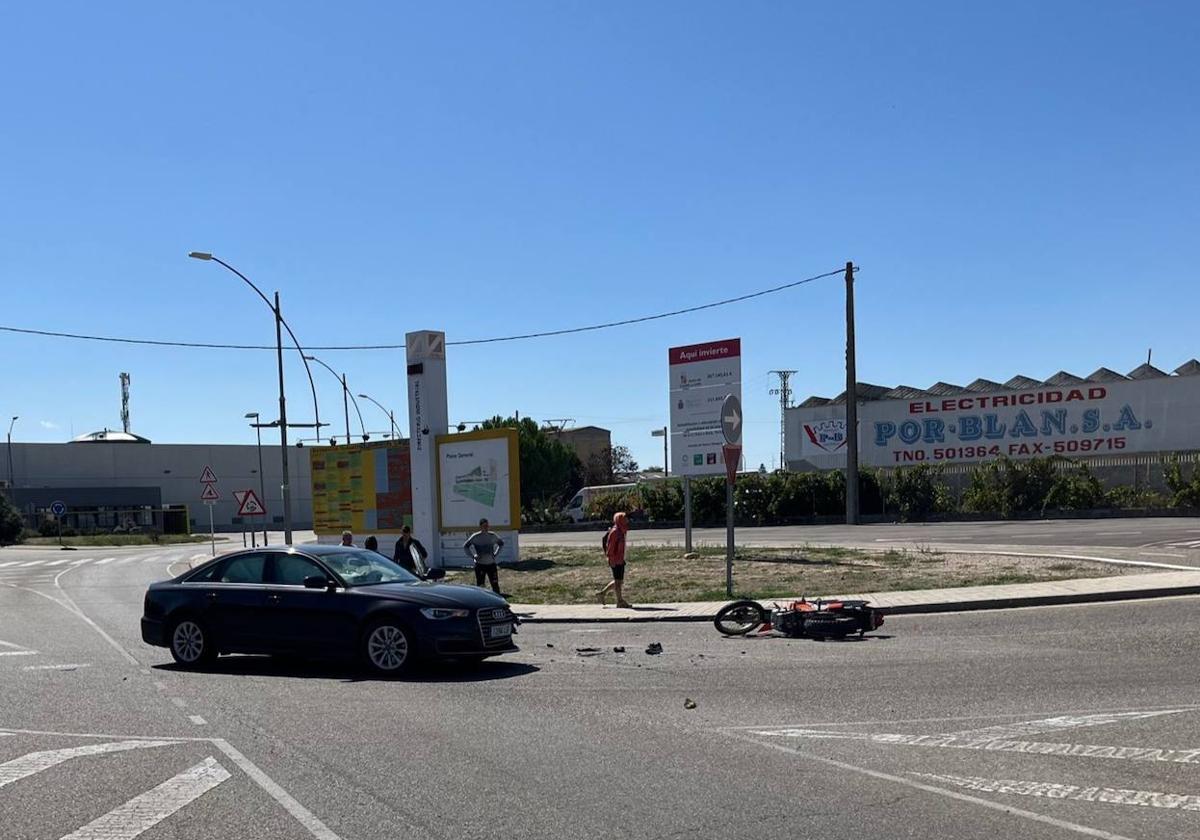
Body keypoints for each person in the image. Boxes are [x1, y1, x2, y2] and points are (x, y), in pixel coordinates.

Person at [597, 511, 632, 608]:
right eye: (624, 518)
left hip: (620, 559)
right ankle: (620, 601)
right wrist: (611, 559)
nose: (627, 520)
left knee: (619, 581)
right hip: (615, 560)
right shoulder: (615, 532)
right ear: (619, 519)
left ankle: (602, 593)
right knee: (618, 581)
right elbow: (610, 547)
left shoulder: (621, 530)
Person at [463, 518, 504, 594]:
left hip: (491, 564)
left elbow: (501, 544)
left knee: (495, 585)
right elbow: (465, 546)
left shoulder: (492, 535)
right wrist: (473, 556)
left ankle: (497, 600)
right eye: (484, 526)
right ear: (480, 527)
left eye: (487, 526)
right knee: (481, 586)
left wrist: (496, 554)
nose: (486, 527)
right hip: (480, 565)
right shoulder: (475, 536)